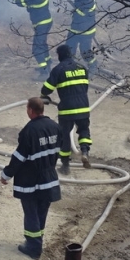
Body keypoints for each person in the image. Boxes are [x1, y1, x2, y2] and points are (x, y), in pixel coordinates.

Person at [0, 97, 64, 260]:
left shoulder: (29, 131)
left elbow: (19, 157)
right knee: (42, 211)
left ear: (30, 110)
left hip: (31, 181)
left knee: (31, 213)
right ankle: (37, 241)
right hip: (49, 178)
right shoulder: (55, 127)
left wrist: (6, 174)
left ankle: (33, 248)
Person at [40, 44, 92, 175]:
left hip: (67, 110)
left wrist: (43, 97)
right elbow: (85, 88)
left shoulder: (59, 69)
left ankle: (65, 166)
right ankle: (85, 152)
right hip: (83, 107)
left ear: (59, 55)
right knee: (84, 130)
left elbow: (47, 88)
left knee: (64, 135)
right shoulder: (82, 68)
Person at [9, 0, 53, 80]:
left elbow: (19, 2)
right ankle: (47, 65)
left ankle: (44, 73)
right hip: (45, 22)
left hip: (42, 24)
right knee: (42, 45)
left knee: (37, 49)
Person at [66, 0, 98, 76]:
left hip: (85, 31)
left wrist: (76, 11)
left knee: (85, 51)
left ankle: (93, 68)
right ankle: (70, 68)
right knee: (69, 48)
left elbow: (84, 14)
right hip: (75, 29)